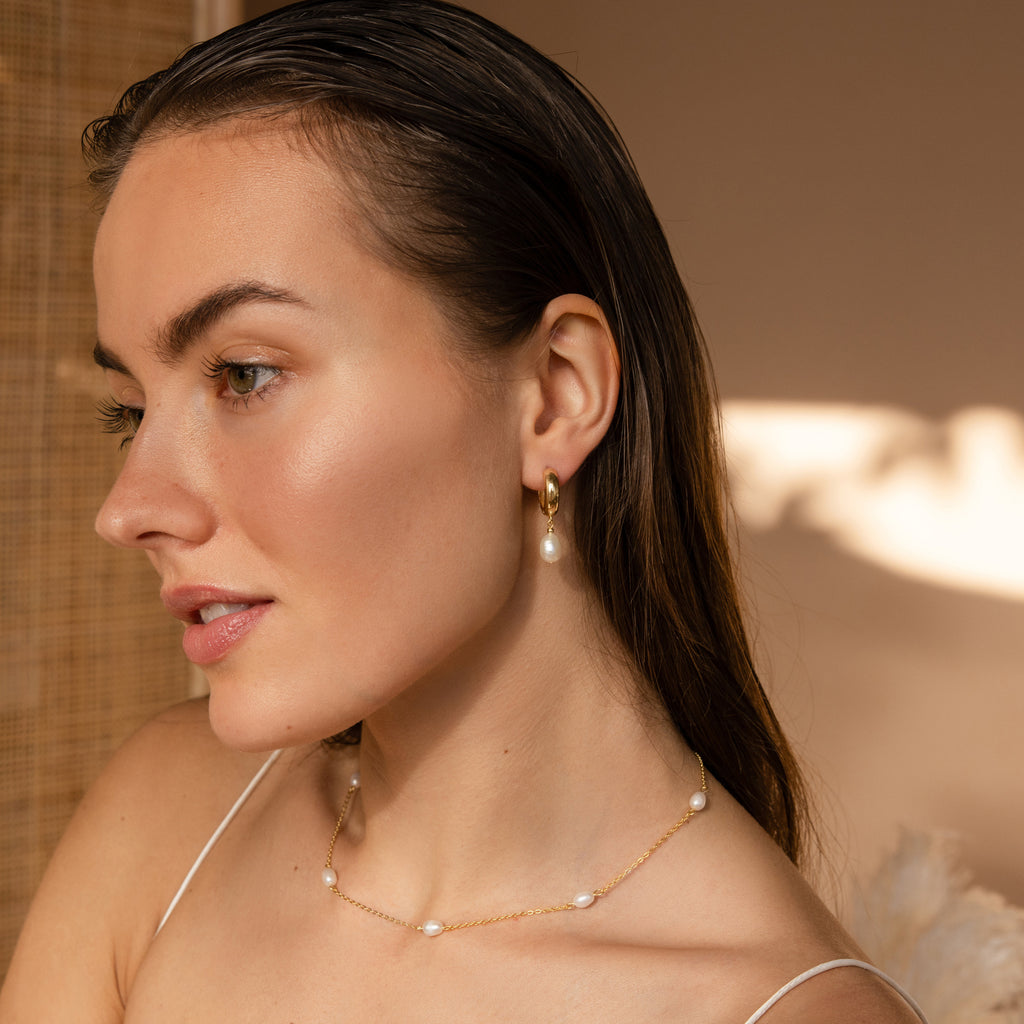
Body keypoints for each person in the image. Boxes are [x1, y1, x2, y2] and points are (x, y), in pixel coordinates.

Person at [0, 1, 927, 1020]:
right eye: (131, 412)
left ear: (555, 395)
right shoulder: (165, 818)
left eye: (245, 374)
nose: (129, 508)